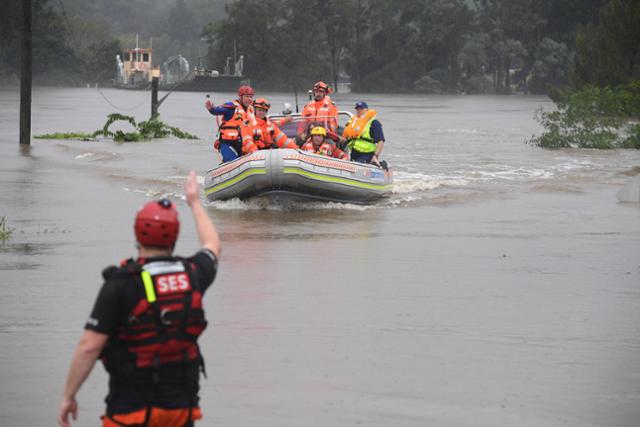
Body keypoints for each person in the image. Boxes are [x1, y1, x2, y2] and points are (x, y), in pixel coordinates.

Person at [57, 171, 221, 427]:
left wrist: (69, 395)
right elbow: (212, 244)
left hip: (129, 413)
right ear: (175, 236)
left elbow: (89, 346)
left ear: (137, 234)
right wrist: (195, 202)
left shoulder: (120, 283)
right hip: (181, 412)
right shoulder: (193, 274)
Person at [205, 85, 258, 162]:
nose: (249, 99)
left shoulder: (251, 111)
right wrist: (212, 109)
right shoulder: (232, 108)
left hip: (242, 145)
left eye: (251, 97)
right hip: (227, 143)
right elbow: (219, 110)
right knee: (233, 160)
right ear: (240, 97)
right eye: (247, 96)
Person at [341, 101, 385, 166]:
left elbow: (381, 141)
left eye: (361, 109)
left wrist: (375, 156)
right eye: (357, 109)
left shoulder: (374, 123)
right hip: (354, 151)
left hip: (367, 153)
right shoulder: (354, 122)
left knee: (356, 166)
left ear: (366, 110)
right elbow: (346, 137)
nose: (359, 111)